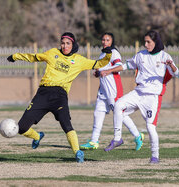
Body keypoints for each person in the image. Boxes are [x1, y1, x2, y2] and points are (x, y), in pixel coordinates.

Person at [6, 32, 112, 163]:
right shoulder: (52, 53)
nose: (65, 46)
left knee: (66, 124)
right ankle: (37, 136)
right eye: (63, 43)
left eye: (68, 43)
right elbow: (34, 57)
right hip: (43, 94)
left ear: (73, 44)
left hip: (60, 96)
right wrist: (16, 56)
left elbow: (100, 63)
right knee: (21, 128)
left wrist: (108, 54)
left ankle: (77, 152)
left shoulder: (79, 60)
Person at [101, 30, 179, 163]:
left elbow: (176, 73)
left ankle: (155, 156)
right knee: (118, 105)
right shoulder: (141, 55)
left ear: (156, 42)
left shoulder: (164, 56)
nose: (146, 44)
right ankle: (117, 138)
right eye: (145, 41)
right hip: (138, 92)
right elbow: (125, 66)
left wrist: (171, 65)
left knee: (150, 127)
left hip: (152, 97)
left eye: (149, 42)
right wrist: (108, 70)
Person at [80, 33, 144, 151]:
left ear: (111, 42)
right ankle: (94, 141)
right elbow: (102, 70)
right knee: (97, 113)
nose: (104, 42)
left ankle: (138, 136)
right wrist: (98, 73)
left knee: (121, 114)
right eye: (103, 39)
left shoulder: (114, 53)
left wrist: (108, 71)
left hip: (113, 90)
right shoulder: (102, 54)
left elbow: (119, 66)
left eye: (107, 40)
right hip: (103, 90)